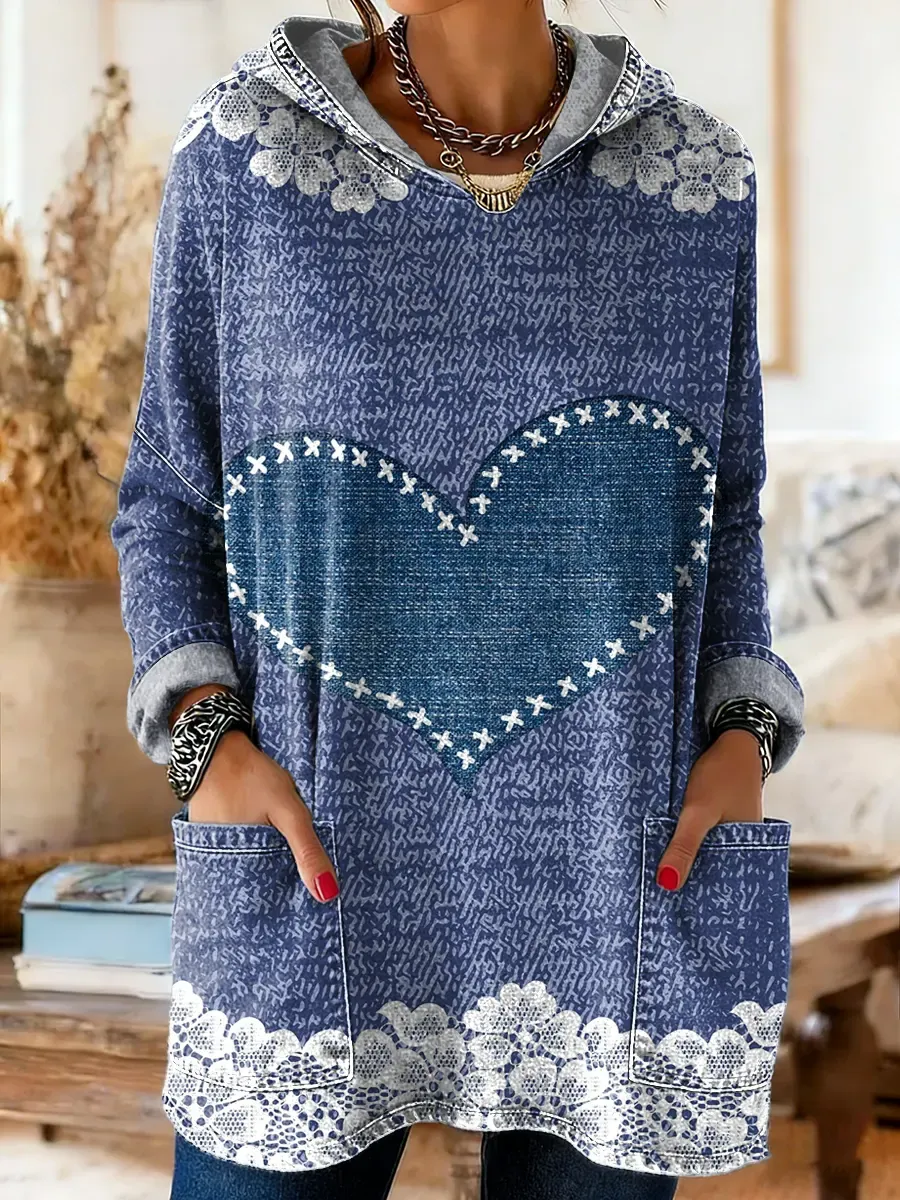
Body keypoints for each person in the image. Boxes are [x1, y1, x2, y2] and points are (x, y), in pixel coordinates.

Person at [110, 1, 806, 1197]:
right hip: (309, 875)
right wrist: (204, 742)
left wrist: (741, 734)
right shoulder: (247, 153)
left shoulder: (696, 181)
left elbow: (724, 508)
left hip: (617, 886)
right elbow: (170, 496)